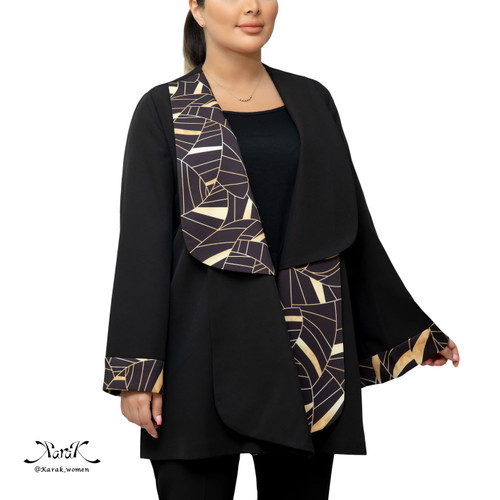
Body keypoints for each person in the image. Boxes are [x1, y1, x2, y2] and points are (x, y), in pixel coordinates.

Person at [102, 1, 461, 499]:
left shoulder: (313, 100)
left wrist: (412, 331)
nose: (252, 5)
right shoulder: (163, 109)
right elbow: (142, 245)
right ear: (197, 9)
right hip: (196, 356)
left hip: (309, 349)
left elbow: (350, 226)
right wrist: (137, 370)